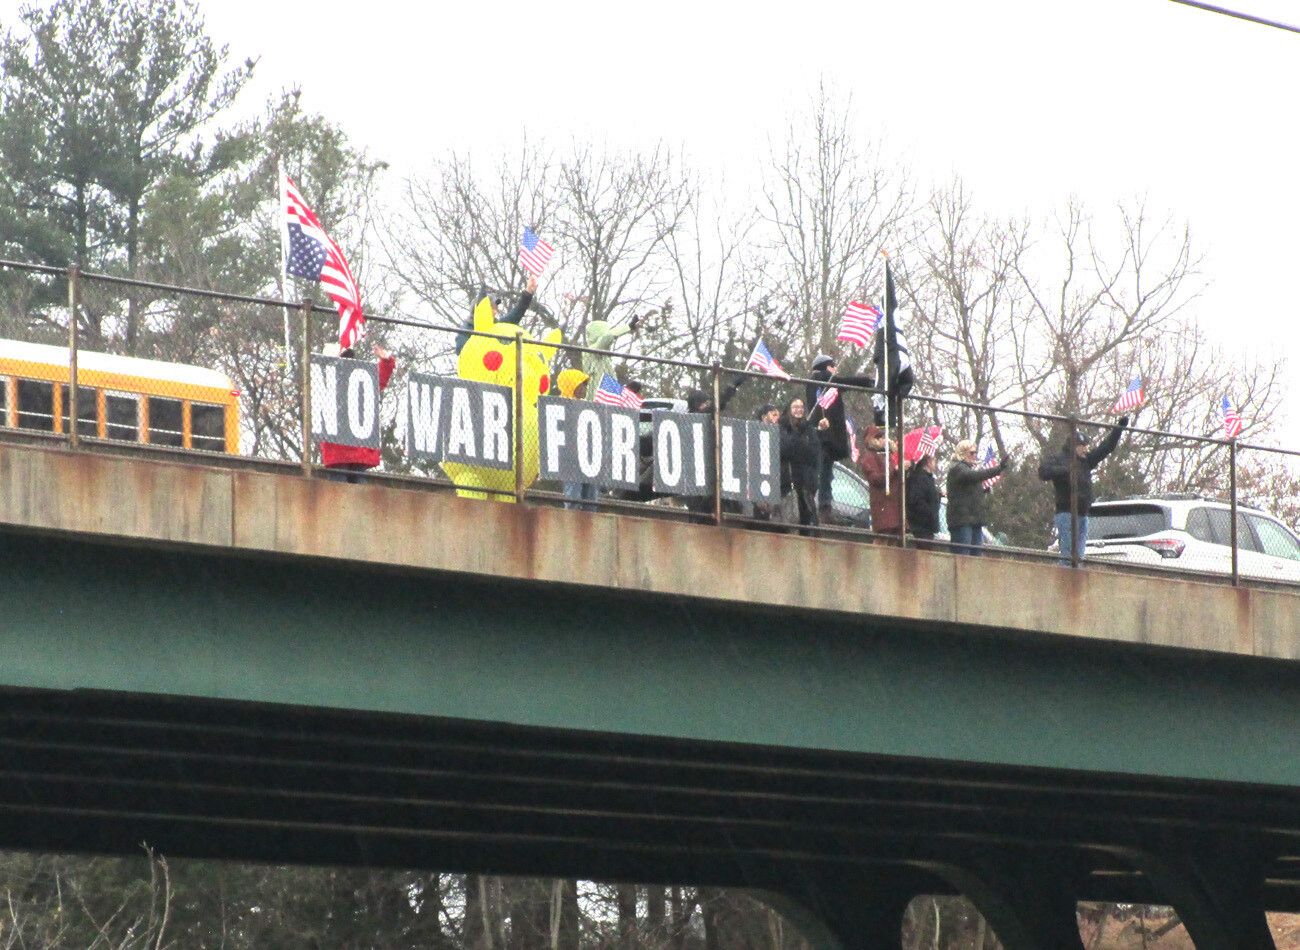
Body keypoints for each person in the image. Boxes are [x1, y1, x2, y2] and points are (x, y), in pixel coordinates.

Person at [1037, 417, 1130, 564]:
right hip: (1066, 513)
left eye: (1086, 446)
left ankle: (1075, 575)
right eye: (1082, 446)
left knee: (1078, 558)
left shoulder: (1086, 461)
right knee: (1068, 555)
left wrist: (1118, 429)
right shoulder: (1059, 459)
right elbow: (1043, 472)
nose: (1086, 449)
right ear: (1073, 446)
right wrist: (1066, 470)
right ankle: (1065, 576)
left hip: (1083, 514)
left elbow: (1106, 448)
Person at [806, 354, 873, 522]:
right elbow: (845, 381)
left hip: (825, 437)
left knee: (826, 473)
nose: (835, 369)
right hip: (825, 437)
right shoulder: (823, 378)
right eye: (833, 366)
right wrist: (867, 381)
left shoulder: (816, 382)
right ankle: (823, 507)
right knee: (824, 473)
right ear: (827, 367)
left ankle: (824, 507)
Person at [320, 343, 396, 483]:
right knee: (342, 485)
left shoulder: (359, 381)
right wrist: (386, 362)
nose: (346, 362)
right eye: (342, 358)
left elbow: (378, 380)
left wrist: (386, 361)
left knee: (354, 487)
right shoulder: (327, 383)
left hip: (355, 449)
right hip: (342, 449)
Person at [945, 440, 1008, 556]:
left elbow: (969, 488)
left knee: (976, 557)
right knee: (962, 556)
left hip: (974, 520)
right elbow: (973, 476)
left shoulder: (968, 469)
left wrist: (984, 490)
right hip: (962, 520)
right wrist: (997, 469)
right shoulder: (957, 468)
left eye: (975, 453)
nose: (975, 455)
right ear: (962, 453)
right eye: (972, 453)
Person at [779, 397, 828, 533]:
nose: (798, 410)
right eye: (795, 407)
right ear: (789, 409)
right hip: (789, 481)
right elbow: (786, 449)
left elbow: (814, 452)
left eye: (801, 407)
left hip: (806, 483)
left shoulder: (808, 428)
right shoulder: (782, 427)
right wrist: (798, 438)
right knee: (791, 519)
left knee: (807, 519)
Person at [456, 277, 537, 354]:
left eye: (496, 308)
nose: (495, 312)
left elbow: (515, 315)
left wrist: (528, 292)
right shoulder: (466, 330)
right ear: (480, 308)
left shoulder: (497, 325)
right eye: (491, 308)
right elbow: (461, 350)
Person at [556, 368, 597, 511]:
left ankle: (589, 522)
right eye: (582, 384)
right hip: (571, 458)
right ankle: (571, 520)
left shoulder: (588, 406)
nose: (585, 388)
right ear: (572, 385)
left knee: (591, 498)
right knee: (573, 496)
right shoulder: (560, 405)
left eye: (586, 384)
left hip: (589, 458)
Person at [859, 424, 907, 537]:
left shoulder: (887, 456)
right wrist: (894, 470)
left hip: (894, 503)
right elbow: (875, 479)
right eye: (878, 437)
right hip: (883, 503)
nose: (882, 439)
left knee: (895, 539)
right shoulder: (868, 458)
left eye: (882, 437)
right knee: (883, 538)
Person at [905, 452, 941, 546]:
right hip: (921, 523)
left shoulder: (928, 478)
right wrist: (930, 512)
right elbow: (917, 500)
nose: (936, 463)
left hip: (928, 524)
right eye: (934, 460)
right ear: (928, 462)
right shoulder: (919, 478)